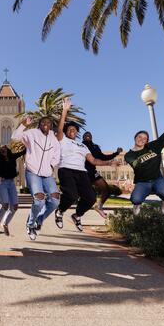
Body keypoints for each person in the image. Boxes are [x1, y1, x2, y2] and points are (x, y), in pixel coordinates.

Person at [55, 98, 119, 232]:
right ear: (66, 131)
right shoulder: (62, 140)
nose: (72, 130)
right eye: (70, 129)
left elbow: (94, 161)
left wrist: (109, 162)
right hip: (66, 170)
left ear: (77, 132)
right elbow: (60, 128)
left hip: (81, 172)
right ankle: (60, 211)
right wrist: (65, 111)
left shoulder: (83, 146)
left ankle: (77, 215)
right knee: (72, 196)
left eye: (75, 129)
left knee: (90, 198)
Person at [11, 115, 60, 241]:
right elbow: (15, 137)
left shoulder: (53, 138)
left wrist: (51, 165)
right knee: (39, 201)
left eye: (48, 122)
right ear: (39, 124)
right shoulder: (32, 134)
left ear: (51, 126)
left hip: (47, 174)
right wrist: (24, 124)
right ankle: (30, 225)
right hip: (33, 172)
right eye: (43, 122)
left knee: (55, 201)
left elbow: (57, 154)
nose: (46, 124)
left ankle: (40, 219)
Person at [125, 114, 164, 215]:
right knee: (135, 199)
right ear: (135, 137)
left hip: (157, 179)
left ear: (147, 141)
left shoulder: (154, 146)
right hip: (142, 182)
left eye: (145, 138)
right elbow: (136, 164)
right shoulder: (129, 155)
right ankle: (137, 204)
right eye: (139, 136)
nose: (141, 139)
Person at [82, 131, 123, 219]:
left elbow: (103, 157)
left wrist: (116, 153)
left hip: (92, 172)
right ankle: (77, 214)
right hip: (82, 172)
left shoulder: (95, 147)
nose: (88, 135)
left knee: (106, 190)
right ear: (83, 137)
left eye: (89, 135)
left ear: (92, 137)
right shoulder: (80, 146)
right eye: (86, 135)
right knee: (87, 195)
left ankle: (99, 206)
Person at [0, 145, 26, 237]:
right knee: (5, 206)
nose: (4, 148)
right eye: (2, 148)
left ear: (8, 150)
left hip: (11, 183)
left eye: (5, 148)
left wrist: (29, 142)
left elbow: (23, 152)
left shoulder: (13, 156)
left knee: (14, 207)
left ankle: (5, 223)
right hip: (2, 182)